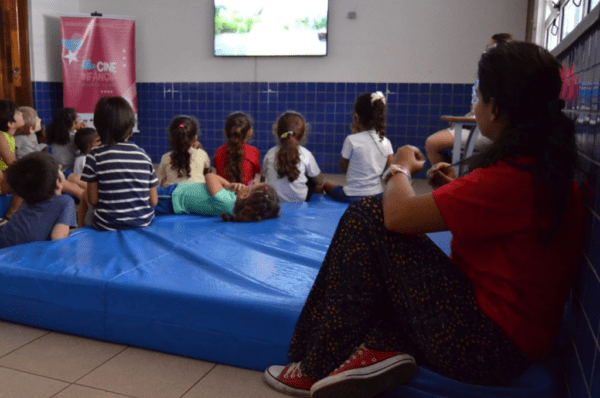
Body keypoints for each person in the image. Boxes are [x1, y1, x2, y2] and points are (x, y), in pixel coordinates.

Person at [264, 42, 584, 398]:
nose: (476, 105)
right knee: (375, 231)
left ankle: (316, 364)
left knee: (367, 216)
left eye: (479, 96)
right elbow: (502, 224)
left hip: (487, 349)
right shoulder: (541, 169)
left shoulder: (511, 179)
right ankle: (382, 346)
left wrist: (398, 167)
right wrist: (453, 190)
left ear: (496, 108)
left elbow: (398, 215)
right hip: (510, 339)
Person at [425, 33, 515, 166]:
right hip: (483, 129)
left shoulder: (501, 81)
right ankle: (451, 181)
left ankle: (449, 183)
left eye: (490, 48)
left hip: (492, 134)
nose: (486, 52)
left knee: (432, 142)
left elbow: (481, 112)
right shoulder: (491, 78)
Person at [81, 97, 158, 231]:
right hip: (143, 221)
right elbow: (153, 201)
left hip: (106, 224)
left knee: (84, 199)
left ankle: (79, 233)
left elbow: (93, 200)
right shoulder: (143, 155)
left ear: (98, 128)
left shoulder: (95, 155)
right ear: (130, 129)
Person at [323, 92, 393, 202]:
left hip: (351, 196)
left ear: (356, 117)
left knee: (328, 184)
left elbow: (343, 168)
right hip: (377, 195)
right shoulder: (386, 142)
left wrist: (354, 136)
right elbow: (391, 170)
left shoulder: (351, 140)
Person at [0, 152, 76, 248]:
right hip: (24, 251)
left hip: (5, 239)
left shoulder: (27, 198)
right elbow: (58, 238)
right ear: (58, 182)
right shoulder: (66, 202)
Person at [155, 173, 280, 222]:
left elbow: (210, 176)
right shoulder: (233, 205)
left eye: (250, 186)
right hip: (175, 197)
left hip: (173, 196)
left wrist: (228, 184)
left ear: (245, 195)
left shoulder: (226, 201)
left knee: (145, 198)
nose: (247, 185)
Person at [262, 111, 323, 202]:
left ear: (277, 132)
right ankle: (313, 207)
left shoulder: (270, 153)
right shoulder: (306, 154)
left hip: (273, 200)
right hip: (300, 200)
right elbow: (319, 181)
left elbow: (262, 181)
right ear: (302, 135)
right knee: (314, 181)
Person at [156, 116, 210, 187]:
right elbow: (207, 174)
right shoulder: (202, 155)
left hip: (173, 196)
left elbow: (160, 182)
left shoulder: (165, 158)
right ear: (195, 137)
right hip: (197, 196)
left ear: (171, 137)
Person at [213, 112, 261, 186]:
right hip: (246, 194)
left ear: (225, 132)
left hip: (223, 195)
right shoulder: (253, 152)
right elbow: (255, 177)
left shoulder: (219, 151)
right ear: (249, 133)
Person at [0, 100, 25, 225]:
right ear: (10, 123)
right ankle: (10, 214)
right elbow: (11, 162)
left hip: (5, 176)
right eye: (18, 113)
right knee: (23, 178)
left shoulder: (10, 137)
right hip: (2, 178)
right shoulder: (1, 137)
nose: (22, 114)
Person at [46, 107, 86, 172]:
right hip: (70, 169)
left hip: (57, 169)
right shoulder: (74, 137)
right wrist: (84, 131)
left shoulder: (53, 133)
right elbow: (88, 145)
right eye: (77, 120)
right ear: (73, 124)